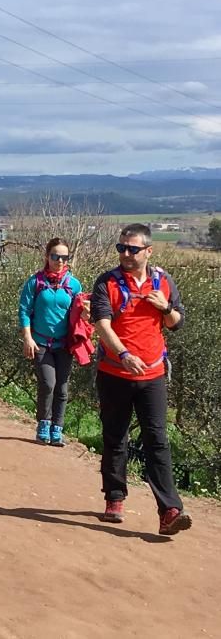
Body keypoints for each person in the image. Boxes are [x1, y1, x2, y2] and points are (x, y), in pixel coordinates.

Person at [91, 223, 191, 535]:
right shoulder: (106, 282)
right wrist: (123, 354)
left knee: (157, 440)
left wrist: (166, 307)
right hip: (115, 372)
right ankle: (115, 497)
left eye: (133, 249)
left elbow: (176, 323)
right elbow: (102, 325)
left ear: (148, 251)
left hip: (153, 374)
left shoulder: (163, 281)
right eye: (121, 248)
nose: (126, 254)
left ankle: (169, 510)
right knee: (115, 436)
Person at [18, 238, 83, 445]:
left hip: (64, 345)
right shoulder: (35, 282)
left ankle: (57, 428)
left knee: (62, 388)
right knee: (48, 383)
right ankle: (44, 423)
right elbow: (24, 310)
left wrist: (86, 313)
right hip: (40, 343)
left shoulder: (73, 284)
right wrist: (27, 337)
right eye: (56, 256)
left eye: (65, 257)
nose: (60, 261)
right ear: (47, 257)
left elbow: (78, 313)